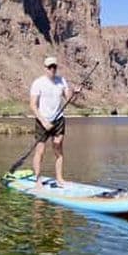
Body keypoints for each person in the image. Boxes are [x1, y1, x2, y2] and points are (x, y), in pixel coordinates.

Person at [29, 56, 79, 189]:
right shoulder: (38, 83)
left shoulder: (61, 81)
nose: (52, 69)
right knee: (40, 151)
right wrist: (44, 121)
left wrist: (75, 93)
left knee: (58, 146)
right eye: (50, 67)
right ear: (45, 68)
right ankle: (38, 180)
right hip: (42, 120)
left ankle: (60, 179)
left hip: (58, 120)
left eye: (54, 67)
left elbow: (70, 100)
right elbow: (33, 105)